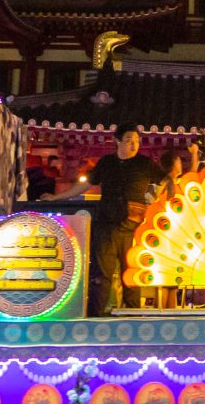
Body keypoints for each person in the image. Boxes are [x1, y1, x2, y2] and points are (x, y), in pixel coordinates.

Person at [51, 124, 166, 314]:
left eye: (137, 141)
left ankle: (134, 316)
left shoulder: (145, 164)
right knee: (101, 275)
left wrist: (149, 200)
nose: (134, 145)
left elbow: (163, 181)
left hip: (133, 227)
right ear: (118, 141)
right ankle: (96, 317)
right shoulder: (106, 163)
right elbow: (86, 184)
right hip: (106, 225)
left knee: (132, 273)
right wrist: (57, 197)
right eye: (129, 140)